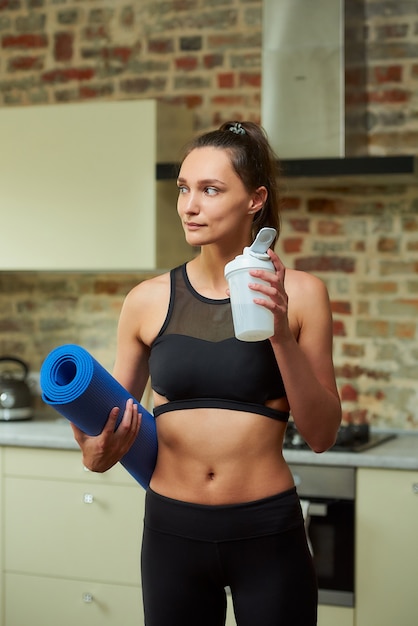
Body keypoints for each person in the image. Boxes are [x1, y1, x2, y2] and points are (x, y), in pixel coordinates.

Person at [71, 120, 342, 626]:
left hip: (267, 530)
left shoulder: (303, 296)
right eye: (183, 189)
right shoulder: (146, 301)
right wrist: (93, 450)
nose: (189, 206)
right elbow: (103, 429)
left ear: (254, 200)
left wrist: (280, 331)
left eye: (210, 190)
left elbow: (323, 434)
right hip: (172, 532)